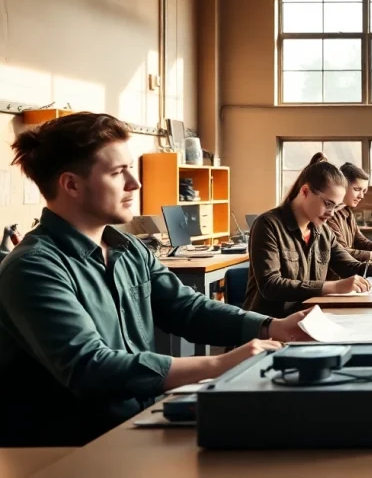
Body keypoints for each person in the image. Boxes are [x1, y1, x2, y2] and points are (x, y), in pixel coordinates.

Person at [0, 113, 312, 447]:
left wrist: (271, 327)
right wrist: (218, 364)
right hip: (71, 449)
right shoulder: (33, 267)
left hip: (138, 425)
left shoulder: (128, 248)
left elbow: (186, 308)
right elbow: (90, 367)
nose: (135, 183)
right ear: (71, 185)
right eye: (118, 172)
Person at [244, 153, 372, 317]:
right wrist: (334, 286)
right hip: (270, 326)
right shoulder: (268, 224)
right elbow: (271, 285)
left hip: (310, 318)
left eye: (336, 206)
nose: (331, 213)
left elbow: (349, 266)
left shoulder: (322, 231)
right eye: (328, 204)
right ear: (305, 191)